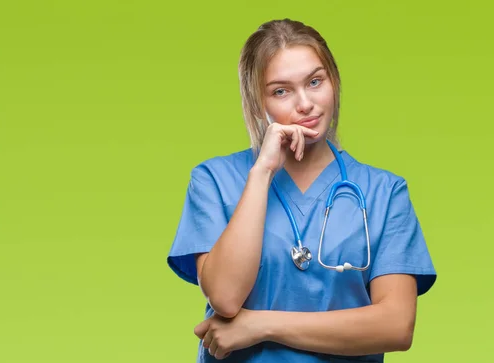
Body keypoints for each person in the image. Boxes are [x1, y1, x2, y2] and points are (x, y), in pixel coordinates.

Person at [166, 18, 436, 362]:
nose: (305, 103)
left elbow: (396, 327)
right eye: (281, 90)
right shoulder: (215, 180)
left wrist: (261, 325)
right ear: (256, 102)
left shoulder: (384, 192)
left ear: (333, 82)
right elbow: (225, 297)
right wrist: (262, 172)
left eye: (315, 82)